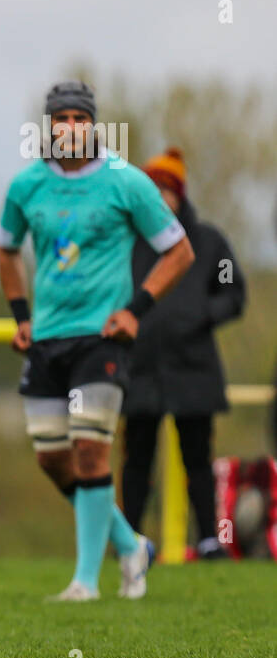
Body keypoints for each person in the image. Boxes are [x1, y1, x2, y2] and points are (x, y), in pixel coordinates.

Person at [0, 81, 195, 600]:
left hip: (101, 339)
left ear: (93, 125)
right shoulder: (27, 186)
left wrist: (136, 310)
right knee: (53, 458)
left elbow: (178, 251)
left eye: (79, 119)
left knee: (90, 450)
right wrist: (21, 315)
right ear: (49, 127)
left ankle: (85, 581)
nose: (70, 128)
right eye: (60, 119)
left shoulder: (125, 182)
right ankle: (132, 546)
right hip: (48, 340)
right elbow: (6, 248)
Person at [120, 149, 246, 558]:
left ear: (179, 195)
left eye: (166, 189)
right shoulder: (128, 243)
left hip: (193, 369)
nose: (159, 195)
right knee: (137, 458)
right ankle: (130, 540)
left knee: (197, 458)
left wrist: (200, 316)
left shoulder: (209, 243)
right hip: (140, 367)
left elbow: (232, 292)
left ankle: (209, 539)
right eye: (152, 188)